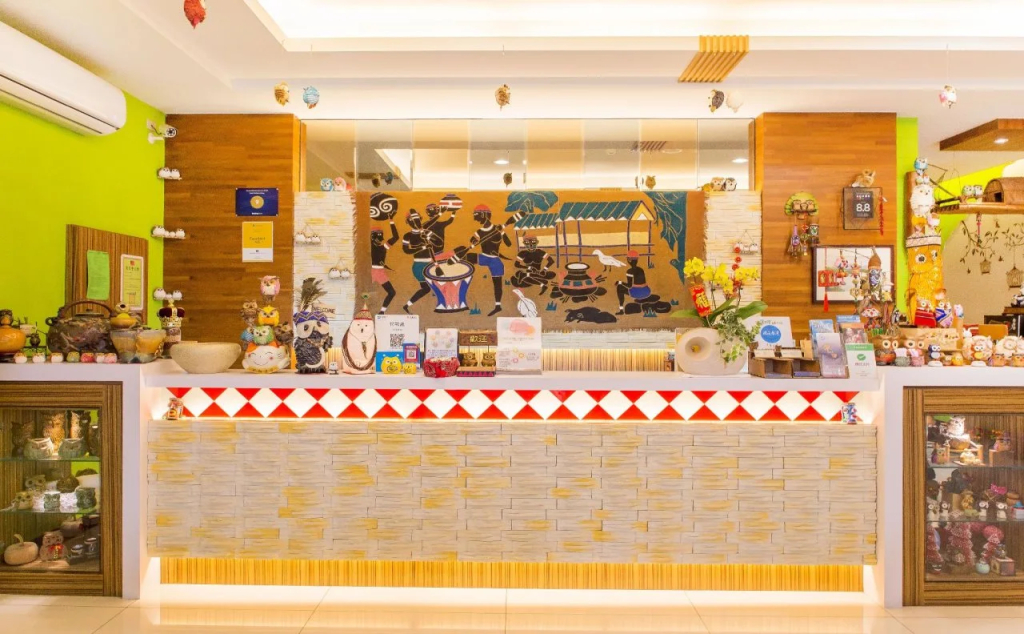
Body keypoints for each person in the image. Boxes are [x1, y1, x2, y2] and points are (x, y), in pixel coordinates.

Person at [456, 205, 512, 317]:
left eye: (476, 215)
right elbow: (472, 240)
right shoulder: (480, 231)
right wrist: (474, 241)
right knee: (466, 257)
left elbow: (509, 244)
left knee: (497, 284)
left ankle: (498, 306)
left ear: (483, 215)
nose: (475, 218)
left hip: (494, 260)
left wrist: (502, 232)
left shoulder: (497, 229)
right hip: (484, 257)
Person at [401, 209, 443, 313]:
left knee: (428, 287)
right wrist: (423, 247)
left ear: (420, 219)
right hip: (419, 266)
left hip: (431, 264)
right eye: (412, 221)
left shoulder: (426, 232)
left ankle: (406, 305)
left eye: (417, 220)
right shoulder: (407, 236)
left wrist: (430, 238)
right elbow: (406, 251)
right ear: (408, 222)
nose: (416, 223)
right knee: (432, 285)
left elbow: (439, 243)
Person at [369, 220, 399, 313]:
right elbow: (396, 237)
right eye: (378, 234)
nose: (380, 237)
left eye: (380, 234)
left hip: (379, 272)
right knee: (363, 292)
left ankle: (381, 312)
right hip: (371, 272)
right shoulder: (370, 247)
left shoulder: (383, 247)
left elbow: (395, 237)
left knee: (392, 292)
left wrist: (392, 221)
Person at [615, 250, 651, 315]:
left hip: (637, 293)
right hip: (646, 291)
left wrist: (620, 282)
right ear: (637, 260)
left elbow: (629, 286)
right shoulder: (641, 269)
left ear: (629, 260)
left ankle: (621, 310)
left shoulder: (629, 271)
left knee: (619, 287)